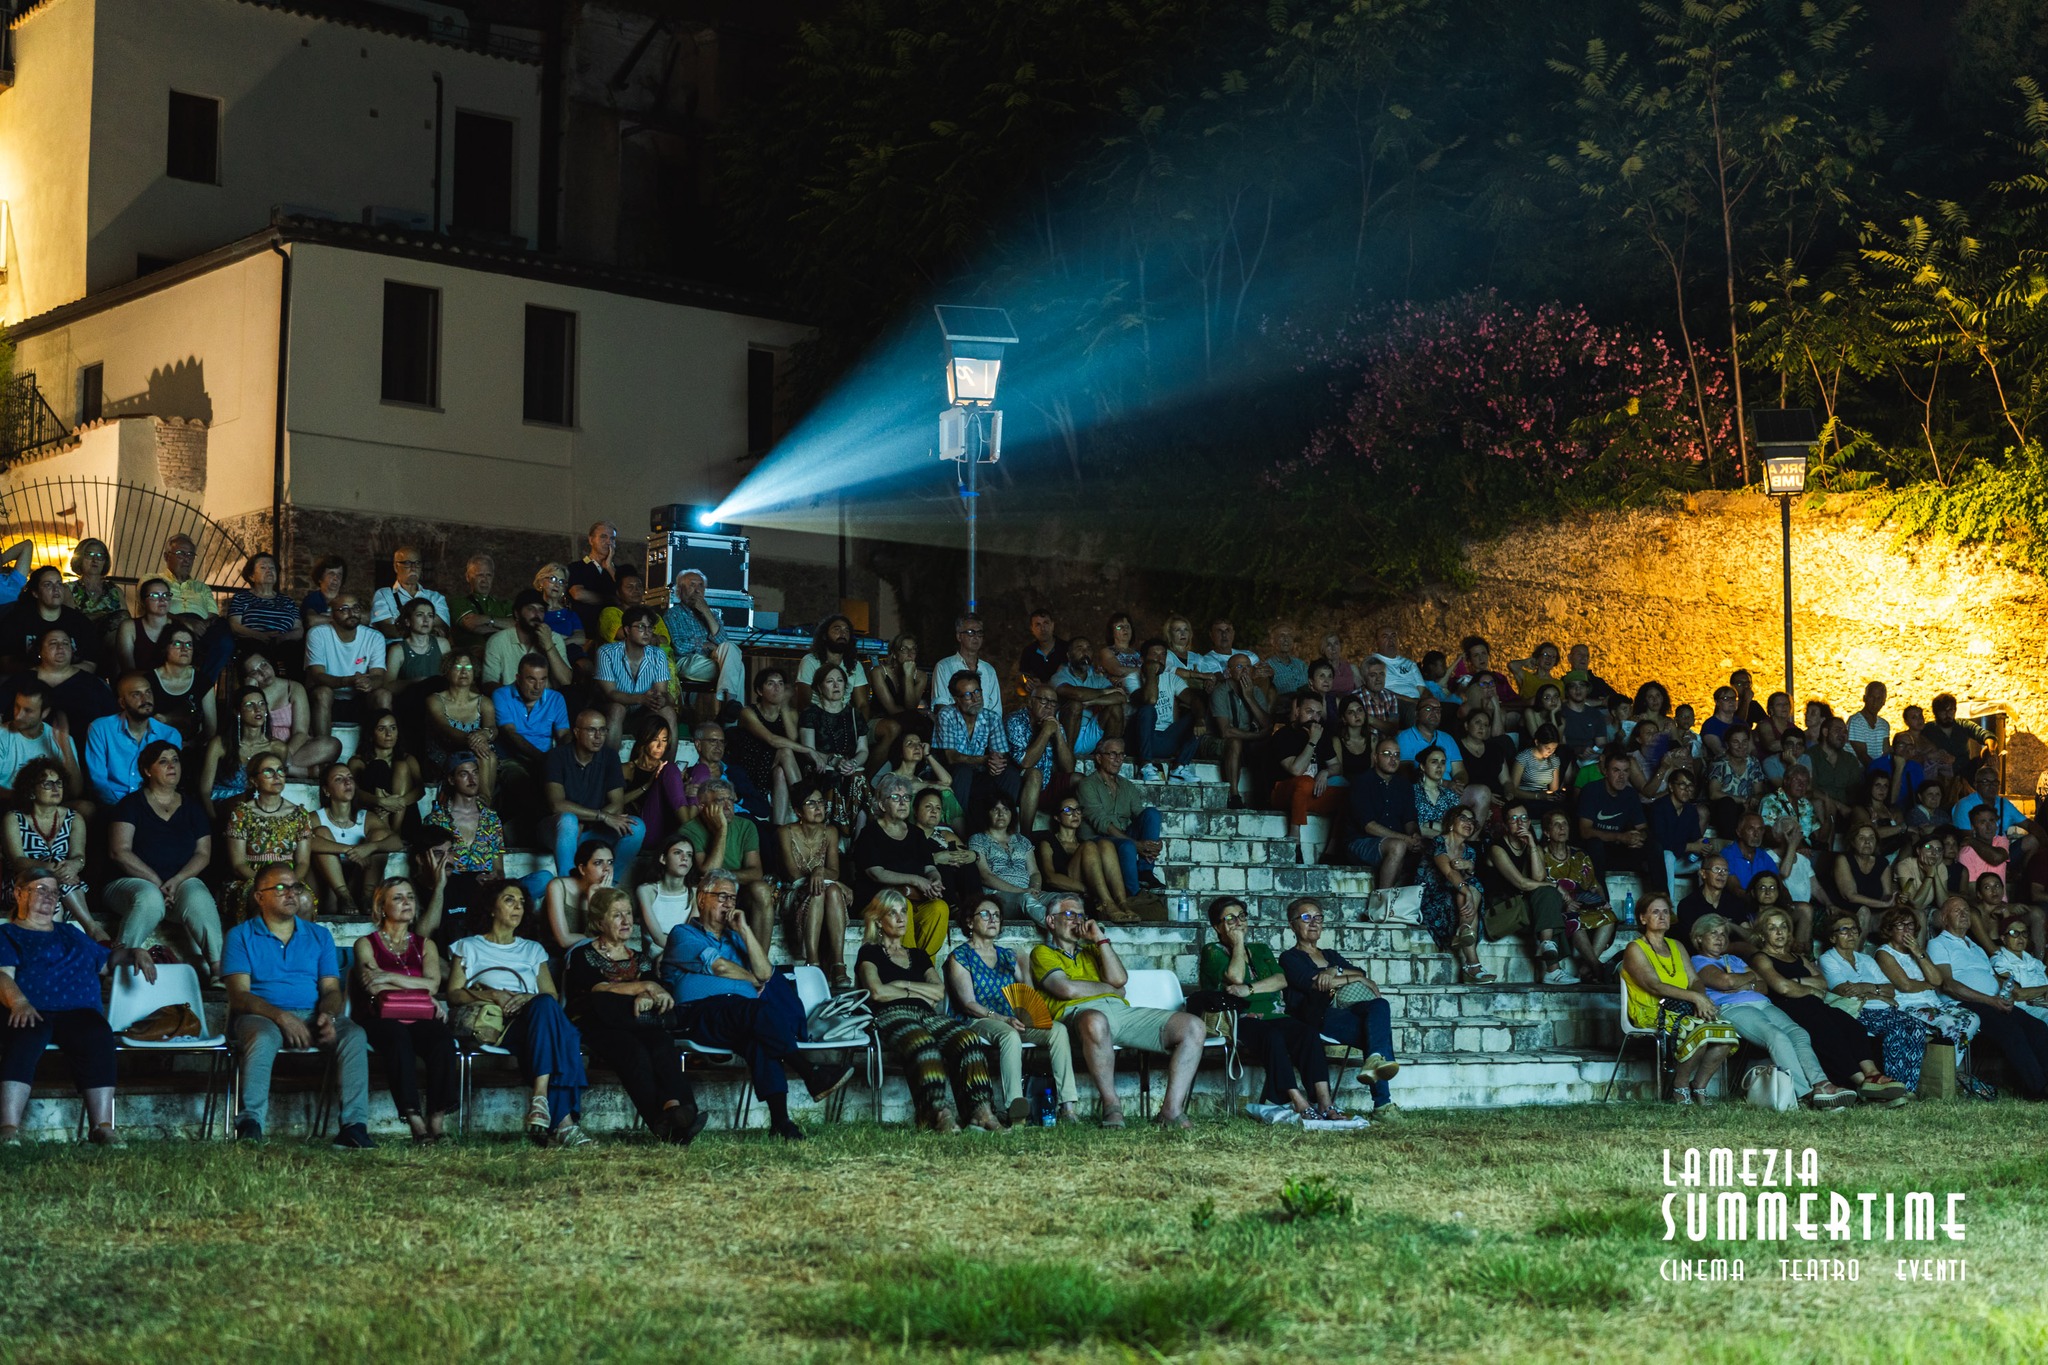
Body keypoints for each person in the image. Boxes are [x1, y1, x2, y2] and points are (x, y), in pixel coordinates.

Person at [664, 870, 855, 1141]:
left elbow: (766, 973)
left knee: (759, 1039)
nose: (729, 904)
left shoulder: (735, 938)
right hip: (697, 1014)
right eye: (722, 897)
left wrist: (745, 930)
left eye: (733, 898)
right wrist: (750, 978)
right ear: (702, 898)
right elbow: (719, 967)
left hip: (739, 1016)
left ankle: (781, 1123)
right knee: (758, 1012)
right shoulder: (683, 934)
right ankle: (809, 1071)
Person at [0, 867, 156, 1145]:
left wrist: (134, 952)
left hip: (77, 1010)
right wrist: (19, 1002)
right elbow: (2, 975)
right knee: (26, 1033)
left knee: (97, 1033)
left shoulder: (71, 933)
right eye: (40, 889)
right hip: (32, 1007)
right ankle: (8, 1128)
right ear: (18, 893)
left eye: (54, 891)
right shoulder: (8, 933)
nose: (49, 896)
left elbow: (107, 961)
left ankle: (103, 1127)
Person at [223, 865, 374, 1146]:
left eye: (295, 887)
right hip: (260, 1015)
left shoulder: (319, 935)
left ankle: (354, 1127)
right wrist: (281, 1017)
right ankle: (250, 1124)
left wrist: (328, 1015)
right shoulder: (240, 936)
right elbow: (239, 996)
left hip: (312, 1014)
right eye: (280, 888)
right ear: (259, 897)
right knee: (263, 1036)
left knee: (354, 1035)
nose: (291, 893)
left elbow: (331, 990)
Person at [1030, 897, 1208, 1129]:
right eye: (1070, 915)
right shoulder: (1042, 953)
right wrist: (1111, 989)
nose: (1077, 920)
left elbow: (1120, 980)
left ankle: (1170, 1111)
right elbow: (1066, 988)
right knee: (1095, 1020)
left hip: (1120, 1012)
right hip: (1078, 1016)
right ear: (1051, 921)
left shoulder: (1094, 950)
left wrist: (1100, 939)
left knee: (1193, 1026)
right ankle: (1111, 1105)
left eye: (1081, 915)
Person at [446, 883, 593, 1146]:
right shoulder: (468, 946)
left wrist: (527, 998)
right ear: (492, 908)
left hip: (530, 1019)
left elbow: (550, 995)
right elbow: (454, 993)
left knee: (545, 1007)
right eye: (509, 900)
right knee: (567, 1036)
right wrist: (493, 995)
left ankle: (541, 1100)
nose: (518, 907)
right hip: (495, 1023)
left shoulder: (532, 949)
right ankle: (564, 1122)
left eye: (522, 902)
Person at [561, 887, 706, 1141]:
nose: (626, 921)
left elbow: (656, 990)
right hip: (598, 1025)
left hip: (639, 1024)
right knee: (629, 1043)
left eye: (628, 913)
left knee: (662, 1043)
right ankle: (669, 1122)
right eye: (617, 915)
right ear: (598, 921)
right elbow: (601, 990)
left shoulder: (641, 960)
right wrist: (644, 987)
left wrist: (646, 994)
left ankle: (676, 1112)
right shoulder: (583, 955)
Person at [1202, 893, 1358, 1124]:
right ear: (1217, 927)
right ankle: (1298, 1101)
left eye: (1241, 916)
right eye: (1230, 919)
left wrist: (1250, 989)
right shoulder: (1212, 951)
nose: (1238, 923)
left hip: (1274, 1014)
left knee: (1307, 1033)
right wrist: (1238, 944)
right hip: (1238, 1018)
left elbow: (1281, 980)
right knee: (1272, 1036)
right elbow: (1234, 976)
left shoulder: (1262, 949)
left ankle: (1325, 1102)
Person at [858, 889, 1000, 1132]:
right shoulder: (869, 952)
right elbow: (877, 993)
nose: (901, 918)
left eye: (904, 911)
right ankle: (939, 1115)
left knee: (967, 1038)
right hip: (890, 1015)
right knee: (923, 1042)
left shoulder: (919, 955)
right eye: (892, 913)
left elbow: (939, 991)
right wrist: (917, 992)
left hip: (927, 1015)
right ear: (878, 920)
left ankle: (981, 1112)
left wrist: (901, 985)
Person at [1689, 914, 1857, 1108]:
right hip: (1733, 1007)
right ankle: (1806, 1094)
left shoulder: (1733, 959)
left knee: (1799, 1033)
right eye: (1713, 933)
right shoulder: (1698, 961)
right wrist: (1747, 979)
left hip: (1763, 1003)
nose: (1720, 938)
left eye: (1723, 934)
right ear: (1699, 938)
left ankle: (1821, 1084)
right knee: (1777, 1037)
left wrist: (1745, 981)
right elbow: (1725, 981)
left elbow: (1763, 986)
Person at [1747, 906, 1907, 1101]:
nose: (1779, 932)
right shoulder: (1761, 958)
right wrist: (1810, 989)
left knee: (1852, 1026)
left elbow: (1823, 983)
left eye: (1783, 927)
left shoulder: (1798, 958)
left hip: (1815, 1005)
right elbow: (1782, 988)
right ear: (1763, 934)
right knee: (1827, 1031)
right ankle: (1862, 1083)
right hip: (1788, 1008)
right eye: (1772, 928)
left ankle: (1873, 1074)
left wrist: (1797, 982)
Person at [947, 896, 1081, 1123]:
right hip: (980, 1019)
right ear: (970, 923)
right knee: (1009, 1035)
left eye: (997, 915)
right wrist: (1002, 1018)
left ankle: (1067, 1108)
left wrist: (1024, 967)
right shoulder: (960, 957)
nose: (993, 920)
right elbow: (968, 1004)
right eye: (986, 914)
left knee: (1057, 1030)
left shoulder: (1007, 955)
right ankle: (1015, 1108)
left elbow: (1027, 995)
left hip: (1012, 1019)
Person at [350, 877, 459, 1143]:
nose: (406, 902)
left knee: (442, 1040)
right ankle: (415, 1121)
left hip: (418, 1014)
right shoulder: (366, 943)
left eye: (410, 896)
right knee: (398, 1039)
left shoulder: (425, 945)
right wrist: (417, 987)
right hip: (378, 1017)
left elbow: (433, 985)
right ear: (382, 907)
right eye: (398, 898)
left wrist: (388, 976)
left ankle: (437, 1119)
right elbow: (372, 988)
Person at [105, 740, 221, 978]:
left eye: (175, 760)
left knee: (198, 894)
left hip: (177, 884)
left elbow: (203, 853)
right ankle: (120, 964)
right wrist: (157, 881)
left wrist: (177, 880)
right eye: (163, 761)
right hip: (129, 885)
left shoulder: (193, 807)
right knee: (149, 897)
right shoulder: (130, 805)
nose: (172, 766)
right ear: (147, 770)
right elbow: (120, 851)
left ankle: (218, 968)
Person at [1274, 895, 1399, 1114]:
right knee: (1379, 1036)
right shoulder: (1289, 957)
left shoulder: (1330, 955)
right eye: (1306, 917)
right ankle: (1383, 1104)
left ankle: (1374, 1059)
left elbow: (1361, 972)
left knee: (1380, 1005)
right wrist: (1351, 977)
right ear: (1292, 924)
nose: (1314, 922)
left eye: (1318, 917)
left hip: (1346, 1010)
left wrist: (1336, 971)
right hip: (1316, 1017)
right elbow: (1314, 984)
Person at [1617, 894, 1737, 1104]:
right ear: (1643, 918)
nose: (1662, 916)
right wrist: (1695, 998)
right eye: (1655, 911)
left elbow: (1694, 980)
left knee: (1726, 1032)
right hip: (1653, 1012)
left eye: (1665, 911)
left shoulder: (1677, 946)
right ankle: (1679, 1088)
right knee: (1700, 1030)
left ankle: (1698, 1087)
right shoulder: (1635, 948)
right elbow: (1654, 985)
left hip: (1682, 1009)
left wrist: (1699, 997)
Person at [1928, 894, 2048, 1100]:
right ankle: (2038, 1089)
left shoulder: (1975, 947)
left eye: (1966, 910)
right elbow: (1948, 984)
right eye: (1957, 911)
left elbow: (1994, 978)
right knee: (2011, 1031)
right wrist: (1989, 1000)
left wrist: (2007, 995)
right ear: (1944, 919)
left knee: (2038, 1027)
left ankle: (2041, 1082)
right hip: (1964, 1004)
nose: (1964, 914)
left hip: (1993, 1002)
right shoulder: (1938, 944)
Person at [1817, 914, 1937, 1093]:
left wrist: (1865, 988)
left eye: (1854, 929)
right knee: (1896, 1029)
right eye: (1844, 930)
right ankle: (1890, 1085)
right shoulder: (1828, 959)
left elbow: (1890, 989)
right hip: (1857, 1012)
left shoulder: (1865, 959)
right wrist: (1879, 994)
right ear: (1832, 937)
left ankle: (1906, 1088)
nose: (1850, 933)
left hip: (1884, 1009)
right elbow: (1844, 991)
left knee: (1916, 1026)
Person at [540, 709, 646, 889]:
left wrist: (587, 822)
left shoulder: (610, 757)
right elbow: (556, 804)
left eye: (603, 730)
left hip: (589, 830)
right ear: (576, 732)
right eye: (591, 730)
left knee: (636, 827)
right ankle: (569, 887)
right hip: (557, 831)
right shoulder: (556, 756)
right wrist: (601, 816)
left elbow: (617, 804)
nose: (598, 736)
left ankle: (608, 885)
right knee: (568, 820)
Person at [4, 759, 99, 937]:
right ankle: (93, 930)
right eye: (48, 784)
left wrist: (74, 865)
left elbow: (79, 856)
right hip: (22, 884)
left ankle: (88, 931)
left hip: (64, 883)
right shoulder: (14, 819)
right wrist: (53, 870)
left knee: (57, 888)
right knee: (52, 890)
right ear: (31, 791)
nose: (56, 788)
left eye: (58, 783)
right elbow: (18, 861)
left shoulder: (74, 818)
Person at [676, 779, 775, 945]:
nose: (728, 806)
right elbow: (708, 873)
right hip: (708, 894)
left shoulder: (746, 826)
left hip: (739, 892)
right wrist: (721, 829)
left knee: (761, 888)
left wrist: (725, 876)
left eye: (730, 799)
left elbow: (756, 872)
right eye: (719, 801)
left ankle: (760, 963)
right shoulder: (689, 830)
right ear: (702, 807)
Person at [216, 649, 340, 779]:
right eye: (255, 672)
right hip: (260, 749)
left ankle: (276, 768)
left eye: (264, 665)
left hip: (293, 749)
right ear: (247, 678)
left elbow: (300, 732)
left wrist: (283, 755)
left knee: (332, 745)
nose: (263, 672)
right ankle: (298, 772)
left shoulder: (293, 688)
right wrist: (250, 690)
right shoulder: (248, 697)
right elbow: (247, 731)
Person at [1487, 804, 1576, 984]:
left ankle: (1546, 945)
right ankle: (1553, 969)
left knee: (1547, 897)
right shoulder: (1497, 848)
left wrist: (1532, 846)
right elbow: (1521, 883)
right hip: (1503, 910)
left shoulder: (1532, 844)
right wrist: (1555, 886)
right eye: (1513, 819)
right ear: (1505, 824)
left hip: (1524, 906)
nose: (1520, 823)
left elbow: (1538, 877)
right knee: (1549, 897)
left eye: (1524, 818)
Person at [777, 779, 852, 988]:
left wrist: (820, 871)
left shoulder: (830, 832)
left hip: (825, 891)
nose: (818, 808)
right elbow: (794, 875)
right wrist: (823, 878)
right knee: (827, 889)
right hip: (793, 893)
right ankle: (813, 961)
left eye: (820, 803)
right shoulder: (785, 832)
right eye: (811, 803)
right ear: (798, 810)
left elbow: (834, 871)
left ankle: (838, 964)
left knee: (833, 890)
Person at [223, 753, 314, 921]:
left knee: (305, 900)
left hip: (289, 879)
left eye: (280, 771)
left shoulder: (299, 814)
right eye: (268, 772)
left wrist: (288, 885)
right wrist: (268, 885)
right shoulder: (242, 814)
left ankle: (298, 947)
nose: (276, 776)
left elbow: (303, 862)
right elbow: (238, 864)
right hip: (252, 879)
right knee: (266, 900)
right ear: (254, 781)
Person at [309, 763, 402, 917]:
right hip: (329, 892)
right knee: (321, 833)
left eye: (350, 778)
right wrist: (348, 849)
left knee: (379, 837)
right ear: (326, 790)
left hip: (358, 887)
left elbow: (396, 842)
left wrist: (371, 847)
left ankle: (367, 898)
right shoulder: (316, 818)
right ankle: (344, 896)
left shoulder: (366, 817)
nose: (347, 782)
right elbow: (302, 842)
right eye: (339, 779)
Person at [1073, 737, 1163, 895]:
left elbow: (1139, 815)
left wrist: (1154, 842)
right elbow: (1101, 823)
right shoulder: (1087, 785)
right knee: (1127, 846)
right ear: (1099, 757)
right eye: (1113, 754)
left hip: (1123, 835)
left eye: (1121, 755)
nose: (1118, 760)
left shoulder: (1127, 785)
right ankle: (1134, 895)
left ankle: (1145, 872)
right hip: (1097, 840)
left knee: (1152, 814)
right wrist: (1136, 844)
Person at [492, 654, 569, 835]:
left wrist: (562, 757)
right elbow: (510, 733)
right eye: (531, 679)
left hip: (545, 758)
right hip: (511, 758)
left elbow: (564, 734)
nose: (538, 686)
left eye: (543, 680)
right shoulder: (501, 695)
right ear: (518, 678)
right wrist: (544, 759)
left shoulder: (555, 698)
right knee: (521, 780)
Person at [84, 673, 181, 807]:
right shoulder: (100, 728)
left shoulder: (169, 734)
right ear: (122, 703)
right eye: (136, 694)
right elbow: (98, 781)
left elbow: (170, 782)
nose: (145, 699)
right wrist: (123, 810)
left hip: (152, 807)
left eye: (148, 692)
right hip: (112, 805)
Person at [1419, 805, 1492, 984]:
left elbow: (1468, 882)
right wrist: (1466, 890)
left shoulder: (1470, 852)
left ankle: (1465, 931)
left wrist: (1470, 867)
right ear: (1451, 822)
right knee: (1468, 890)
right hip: (1433, 898)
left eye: (1472, 821)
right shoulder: (1438, 842)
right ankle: (1472, 962)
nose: (1469, 823)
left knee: (1473, 886)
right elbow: (1449, 873)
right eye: (1464, 818)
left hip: (1457, 902)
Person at [731, 667, 810, 826]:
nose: (777, 688)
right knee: (785, 751)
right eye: (771, 684)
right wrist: (810, 751)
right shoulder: (748, 712)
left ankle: (778, 827)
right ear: (759, 691)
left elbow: (793, 738)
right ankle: (805, 802)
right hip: (753, 766)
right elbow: (772, 740)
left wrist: (785, 706)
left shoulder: (790, 713)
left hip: (776, 767)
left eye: (780, 684)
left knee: (781, 772)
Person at [1036, 792, 1133, 921]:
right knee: (1089, 846)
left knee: (1106, 844)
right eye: (1067, 810)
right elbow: (1050, 878)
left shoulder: (1082, 844)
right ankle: (1107, 905)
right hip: (1065, 890)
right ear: (1057, 817)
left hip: (1090, 893)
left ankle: (1123, 904)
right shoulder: (1048, 842)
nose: (1075, 814)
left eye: (1078, 810)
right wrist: (1088, 890)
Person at [303, 593, 390, 736]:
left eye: (356, 608)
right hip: (328, 694)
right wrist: (348, 680)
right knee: (323, 692)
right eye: (344, 609)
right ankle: (324, 747)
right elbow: (317, 675)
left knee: (383, 694)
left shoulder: (375, 637)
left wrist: (368, 682)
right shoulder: (318, 634)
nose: (351, 613)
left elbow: (378, 676)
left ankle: (381, 752)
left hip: (360, 696)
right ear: (332, 615)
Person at [657, 567, 746, 707]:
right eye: (692, 585)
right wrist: (706, 645)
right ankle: (732, 715)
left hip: (711, 660)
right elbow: (679, 647)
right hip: (688, 663)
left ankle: (730, 704)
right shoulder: (673, 614)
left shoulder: (713, 615)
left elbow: (724, 643)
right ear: (680, 591)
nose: (697, 590)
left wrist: (706, 611)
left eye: (701, 586)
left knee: (731, 652)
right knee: (737, 668)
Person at [799, 662, 870, 824]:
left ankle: (858, 838)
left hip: (849, 768)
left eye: (840, 680)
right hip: (821, 768)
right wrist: (833, 760)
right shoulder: (810, 714)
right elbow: (808, 751)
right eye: (830, 681)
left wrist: (852, 763)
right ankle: (834, 833)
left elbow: (863, 750)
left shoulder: (854, 714)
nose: (836, 685)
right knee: (833, 776)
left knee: (859, 779)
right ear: (819, 687)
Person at [594, 605, 679, 740]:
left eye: (650, 628)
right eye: (640, 627)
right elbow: (610, 693)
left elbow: (662, 692)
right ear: (627, 630)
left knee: (668, 713)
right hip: (609, 710)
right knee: (617, 709)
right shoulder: (606, 652)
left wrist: (661, 699)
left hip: (642, 713)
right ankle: (609, 761)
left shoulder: (658, 655)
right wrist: (640, 698)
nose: (646, 632)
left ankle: (669, 762)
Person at [1347, 736, 1421, 887]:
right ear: (1375, 757)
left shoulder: (1404, 785)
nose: (1393, 759)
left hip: (1395, 842)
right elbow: (1369, 826)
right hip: (1361, 841)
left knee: (1430, 848)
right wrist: (1405, 839)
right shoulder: (1362, 782)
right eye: (1387, 754)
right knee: (1398, 846)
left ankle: (1402, 905)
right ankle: (1382, 900)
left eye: (1397, 755)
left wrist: (1415, 836)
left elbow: (1410, 820)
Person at [968, 792, 1051, 924]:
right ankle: (1057, 928)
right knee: (1025, 900)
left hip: (1028, 892)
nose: (1001, 814)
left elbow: (1034, 872)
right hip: (998, 895)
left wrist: (1034, 889)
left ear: (1012, 813)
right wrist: (1022, 891)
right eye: (995, 809)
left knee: (1062, 899)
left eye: (1006, 809)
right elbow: (985, 876)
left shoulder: (1022, 840)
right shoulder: (978, 839)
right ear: (987, 813)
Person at [0, 566, 97, 677]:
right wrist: (42, 672)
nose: (56, 589)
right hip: (27, 682)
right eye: (48, 584)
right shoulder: (16, 620)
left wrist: (58, 674)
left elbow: (91, 664)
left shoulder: (80, 622)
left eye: (59, 583)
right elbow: (5, 663)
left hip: (72, 682)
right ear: (35, 593)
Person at [0, 678, 82, 804]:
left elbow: (75, 791)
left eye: (28, 710)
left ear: (45, 712)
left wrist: (65, 746)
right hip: (8, 802)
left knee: (85, 808)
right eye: (17, 706)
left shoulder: (61, 738)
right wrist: (31, 799)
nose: (18, 715)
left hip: (49, 806)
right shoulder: (2, 735)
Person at [1129, 638, 1199, 783]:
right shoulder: (1131, 679)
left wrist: (1201, 719)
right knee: (1148, 710)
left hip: (1166, 740)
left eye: (1163, 655)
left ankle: (1178, 768)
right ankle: (1145, 766)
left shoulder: (1171, 679)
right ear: (1143, 659)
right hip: (1140, 740)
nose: (1159, 659)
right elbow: (1150, 699)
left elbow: (1193, 700)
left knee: (1199, 713)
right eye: (1154, 654)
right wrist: (1150, 674)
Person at [1003, 682, 1072, 830]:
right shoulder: (1014, 721)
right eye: (1043, 700)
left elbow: (1068, 768)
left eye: (1053, 703)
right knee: (1035, 774)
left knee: (1078, 779)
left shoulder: (1054, 724)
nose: (1048, 706)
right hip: (1020, 784)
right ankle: (1027, 836)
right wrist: (1046, 732)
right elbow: (1025, 762)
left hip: (1046, 785)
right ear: (1030, 702)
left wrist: (1058, 734)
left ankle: (1074, 836)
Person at [425, 650, 498, 788]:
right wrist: (472, 740)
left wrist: (485, 733)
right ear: (447, 671)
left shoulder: (484, 702)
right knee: (481, 756)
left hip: (474, 752)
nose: (464, 671)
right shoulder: (435, 700)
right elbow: (444, 727)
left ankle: (485, 804)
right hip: (444, 753)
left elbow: (492, 728)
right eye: (458, 667)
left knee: (489, 756)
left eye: (469, 667)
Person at [349, 709, 423, 832]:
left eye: (393, 728)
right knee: (378, 766)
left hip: (405, 818)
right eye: (381, 729)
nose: (389, 734)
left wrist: (399, 802)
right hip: (374, 816)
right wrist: (382, 802)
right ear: (371, 734)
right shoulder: (358, 761)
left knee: (401, 766)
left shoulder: (408, 759)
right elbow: (354, 792)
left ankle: (394, 832)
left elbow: (420, 789)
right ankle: (386, 832)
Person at [482, 590, 572, 690]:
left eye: (541, 610)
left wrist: (549, 646)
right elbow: (488, 683)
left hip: (547, 702)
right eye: (531, 609)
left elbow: (566, 681)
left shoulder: (554, 638)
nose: (537, 614)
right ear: (517, 614)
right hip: (511, 701)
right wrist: (515, 698)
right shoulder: (498, 641)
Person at [1648, 768, 1715, 901]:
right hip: (1659, 863)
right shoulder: (1659, 807)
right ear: (1671, 787)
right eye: (1682, 785)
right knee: (1668, 855)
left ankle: (1706, 905)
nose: (1687, 789)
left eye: (1690, 786)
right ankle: (1669, 905)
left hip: (1680, 860)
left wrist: (1704, 847)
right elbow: (1661, 842)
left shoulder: (1690, 810)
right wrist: (1690, 847)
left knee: (1710, 864)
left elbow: (1695, 839)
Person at [540, 840, 615, 952]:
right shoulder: (557, 886)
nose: (607, 868)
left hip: (592, 954)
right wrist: (596, 939)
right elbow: (564, 941)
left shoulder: (610, 892)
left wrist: (594, 897)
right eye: (598, 863)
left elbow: (611, 938)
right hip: (554, 954)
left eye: (610, 862)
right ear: (582, 869)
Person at [1050, 635, 1125, 746]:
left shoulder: (1097, 678)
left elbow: (1120, 697)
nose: (1085, 652)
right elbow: (1079, 694)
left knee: (1116, 707)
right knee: (1075, 705)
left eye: (1088, 649)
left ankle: (1110, 752)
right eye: (1080, 648)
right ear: (1069, 656)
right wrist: (1104, 692)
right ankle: (1068, 756)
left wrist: (1092, 701)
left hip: (1090, 732)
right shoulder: (1059, 676)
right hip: (1064, 735)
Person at [225, 552, 303, 658]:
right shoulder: (241, 598)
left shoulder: (287, 601)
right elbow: (235, 626)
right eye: (263, 567)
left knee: (296, 650)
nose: (269, 570)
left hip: (284, 643)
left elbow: (298, 629)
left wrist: (281, 638)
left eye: (272, 568)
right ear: (252, 576)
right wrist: (260, 636)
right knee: (252, 648)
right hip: (253, 642)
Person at [867, 631, 929, 759]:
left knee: (921, 726)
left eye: (913, 649)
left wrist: (908, 677)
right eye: (904, 649)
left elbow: (911, 706)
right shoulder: (879, 672)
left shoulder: (921, 676)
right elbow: (892, 709)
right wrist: (917, 713)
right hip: (879, 720)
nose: (910, 653)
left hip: (906, 721)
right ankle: (866, 776)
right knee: (912, 722)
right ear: (894, 654)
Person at [369, 545, 451, 640]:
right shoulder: (383, 595)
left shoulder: (436, 597)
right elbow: (388, 629)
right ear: (396, 567)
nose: (413, 568)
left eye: (417, 563)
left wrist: (403, 626)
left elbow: (441, 628)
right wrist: (423, 630)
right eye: (407, 563)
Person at [793, 613, 869, 713]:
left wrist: (859, 726)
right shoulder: (810, 661)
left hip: (844, 718)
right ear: (824, 636)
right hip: (817, 717)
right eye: (837, 629)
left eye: (847, 630)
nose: (843, 634)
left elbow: (862, 704)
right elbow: (804, 702)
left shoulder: (855, 665)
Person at [636, 833, 698, 952]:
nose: (685, 857)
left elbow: (690, 935)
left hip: (683, 951)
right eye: (678, 852)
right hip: (655, 954)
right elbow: (658, 939)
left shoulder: (695, 893)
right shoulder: (646, 890)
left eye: (689, 855)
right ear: (663, 859)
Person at [382, 597, 447, 711]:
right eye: (420, 615)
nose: (426, 620)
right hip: (412, 703)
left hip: (440, 701)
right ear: (407, 621)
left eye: (430, 615)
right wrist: (415, 682)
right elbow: (388, 685)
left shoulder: (442, 644)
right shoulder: (398, 650)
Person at [565, 520, 620, 641]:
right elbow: (578, 594)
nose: (608, 542)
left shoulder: (617, 571)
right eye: (603, 537)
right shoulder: (576, 567)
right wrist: (611, 600)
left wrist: (610, 567)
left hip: (613, 635)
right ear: (591, 540)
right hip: (585, 633)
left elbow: (625, 596)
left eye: (612, 539)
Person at [451, 553, 515, 656]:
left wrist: (486, 619)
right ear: (468, 577)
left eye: (488, 575)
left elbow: (516, 626)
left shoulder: (505, 605)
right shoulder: (458, 602)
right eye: (480, 575)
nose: (484, 580)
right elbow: (471, 624)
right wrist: (504, 629)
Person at [64, 539, 125, 641]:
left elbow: (126, 621)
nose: (95, 560)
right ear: (80, 558)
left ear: (105, 561)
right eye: (90, 554)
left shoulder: (115, 590)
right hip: (81, 640)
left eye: (100, 556)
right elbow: (70, 621)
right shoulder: (68, 589)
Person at [1845, 681, 1890, 765]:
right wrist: (1877, 771)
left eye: (1879, 698)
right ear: (1864, 698)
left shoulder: (1884, 725)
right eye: (1871, 697)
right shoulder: (1856, 721)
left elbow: (1886, 752)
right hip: (1857, 770)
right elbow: (1862, 755)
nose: (1875, 702)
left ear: (1884, 702)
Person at [300, 556, 346, 632]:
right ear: (320, 578)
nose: (336, 578)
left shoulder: (346, 599)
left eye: (339, 574)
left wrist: (326, 619)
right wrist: (344, 620)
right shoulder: (312, 599)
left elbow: (365, 617)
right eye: (331, 574)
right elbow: (312, 620)